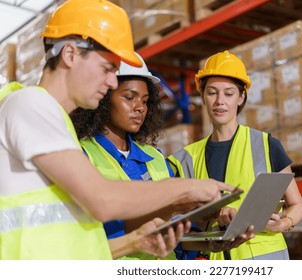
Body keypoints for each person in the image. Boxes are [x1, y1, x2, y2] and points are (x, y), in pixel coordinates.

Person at [0, 0, 235, 260]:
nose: (112, 81)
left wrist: (134, 242)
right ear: (70, 54)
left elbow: (72, 244)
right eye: (107, 68)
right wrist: (186, 188)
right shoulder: (30, 104)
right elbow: (102, 201)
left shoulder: (57, 124)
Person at [70, 53, 254, 260]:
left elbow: (177, 232)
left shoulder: (155, 158)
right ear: (103, 97)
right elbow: (92, 236)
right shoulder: (80, 156)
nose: (139, 107)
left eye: (145, 100)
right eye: (129, 98)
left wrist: (211, 241)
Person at [168, 50, 302, 260]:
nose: (219, 101)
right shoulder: (185, 159)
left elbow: (297, 204)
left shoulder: (266, 145)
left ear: (241, 97)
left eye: (229, 93)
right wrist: (211, 218)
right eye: (212, 92)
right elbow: (182, 221)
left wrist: (283, 224)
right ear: (203, 97)